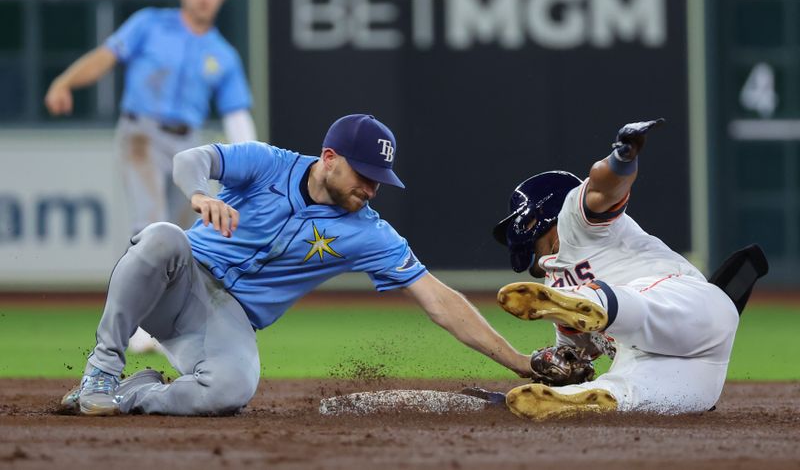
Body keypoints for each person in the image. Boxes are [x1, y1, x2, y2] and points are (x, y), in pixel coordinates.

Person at [61, 114, 533, 416]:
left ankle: (129, 396)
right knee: (163, 236)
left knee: (231, 391)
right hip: (176, 278)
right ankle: (101, 371)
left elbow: (439, 301)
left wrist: (520, 364)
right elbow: (190, 159)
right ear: (329, 159)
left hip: (223, 317)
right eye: (366, 176)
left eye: (380, 181)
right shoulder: (270, 163)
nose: (372, 190)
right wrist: (200, 195)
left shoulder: (369, 231)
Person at [44, 0, 255, 353]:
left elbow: (237, 115)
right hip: (140, 132)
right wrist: (66, 80)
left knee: (183, 239)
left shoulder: (222, 54)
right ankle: (133, 326)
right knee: (149, 224)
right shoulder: (150, 23)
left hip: (188, 143)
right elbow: (106, 57)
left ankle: (164, 323)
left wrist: (247, 166)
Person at [491, 118, 740, 420]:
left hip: (689, 306)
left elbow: (603, 187)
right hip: (684, 359)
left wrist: (621, 159)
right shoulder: (556, 285)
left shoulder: (575, 218)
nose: (520, 233)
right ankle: (576, 400)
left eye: (525, 221)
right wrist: (557, 366)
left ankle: (600, 302)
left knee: (632, 308)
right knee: (633, 394)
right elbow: (576, 358)